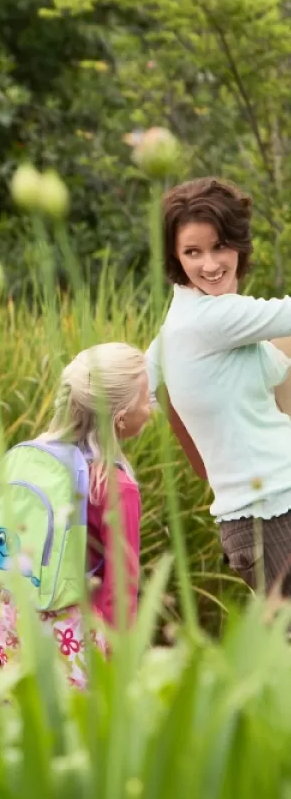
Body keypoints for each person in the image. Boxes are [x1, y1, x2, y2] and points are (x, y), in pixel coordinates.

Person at [147, 177, 291, 597]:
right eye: (193, 252)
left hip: (260, 510)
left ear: (239, 246)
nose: (209, 264)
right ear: (175, 256)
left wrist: (215, 471)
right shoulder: (212, 318)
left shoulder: (178, 324)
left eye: (219, 247)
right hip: (271, 514)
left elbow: (156, 394)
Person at [0, 343, 150, 688]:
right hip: (75, 635)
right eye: (146, 398)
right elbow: (119, 588)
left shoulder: (35, 460)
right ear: (121, 417)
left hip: (17, 617)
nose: (150, 407)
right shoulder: (115, 486)